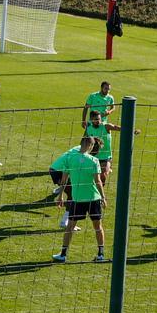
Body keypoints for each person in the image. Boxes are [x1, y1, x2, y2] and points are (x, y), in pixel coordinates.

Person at [52, 135, 108, 263]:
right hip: (93, 198)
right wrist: (103, 198)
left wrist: (60, 196)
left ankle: (63, 254)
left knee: (70, 227)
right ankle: (100, 254)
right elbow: (98, 182)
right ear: (91, 146)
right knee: (98, 226)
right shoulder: (94, 160)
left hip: (78, 199)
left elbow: (64, 180)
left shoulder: (70, 158)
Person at [50, 138, 100, 229]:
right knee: (73, 196)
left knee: (71, 191)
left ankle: (61, 190)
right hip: (60, 171)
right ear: (91, 145)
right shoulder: (82, 153)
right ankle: (65, 222)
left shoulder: (78, 148)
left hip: (54, 169)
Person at [84, 110, 137, 186]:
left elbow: (116, 127)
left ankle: (100, 192)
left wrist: (132, 130)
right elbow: (85, 140)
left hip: (106, 156)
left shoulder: (106, 126)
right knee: (91, 178)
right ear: (91, 119)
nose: (98, 121)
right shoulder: (89, 129)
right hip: (93, 157)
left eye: (99, 119)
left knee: (103, 175)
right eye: (96, 119)